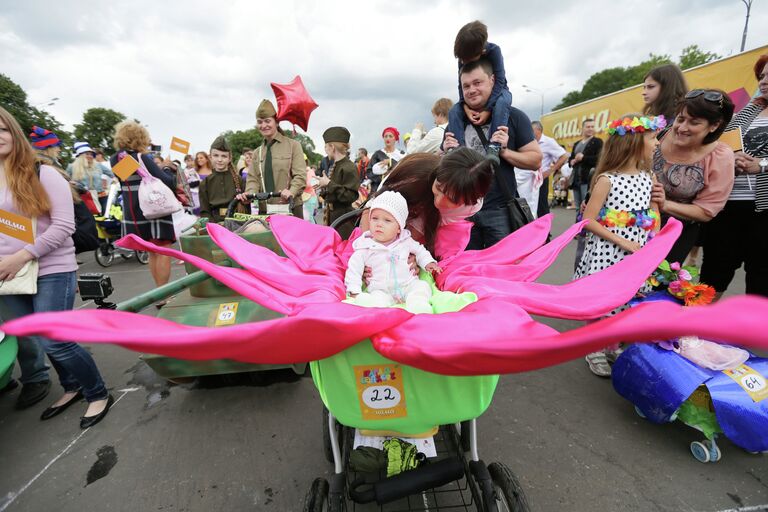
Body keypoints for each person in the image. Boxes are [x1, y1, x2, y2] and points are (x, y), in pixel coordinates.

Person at [0, 107, 113, 427]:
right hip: (8, 274)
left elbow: (64, 226)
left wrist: (20, 256)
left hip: (51, 266)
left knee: (56, 339)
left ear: (14, 132)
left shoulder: (42, 172)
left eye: (3, 128)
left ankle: (98, 393)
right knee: (36, 333)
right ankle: (72, 387)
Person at [574, 114, 666, 377]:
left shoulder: (649, 177)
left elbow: (653, 213)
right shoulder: (607, 180)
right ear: (634, 143)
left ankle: (611, 343)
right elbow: (588, 220)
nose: (657, 144)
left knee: (626, 299)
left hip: (637, 252)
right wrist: (624, 242)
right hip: (608, 251)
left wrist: (654, 242)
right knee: (604, 299)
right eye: (652, 138)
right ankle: (593, 346)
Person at [443, 58, 541, 249]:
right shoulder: (456, 122)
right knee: (468, 272)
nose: (471, 90)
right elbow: (443, 169)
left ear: (492, 81)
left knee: (502, 271)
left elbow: (535, 160)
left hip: (500, 211)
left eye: (477, 83)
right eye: (466, 86)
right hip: (463, 212)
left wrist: (505, 152)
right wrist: (445, 153)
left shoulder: (513, 116)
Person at [701, 55, 768, 298]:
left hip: (764, 210)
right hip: (728, 204)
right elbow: (717, 145)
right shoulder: (745, 112)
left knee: (761, 282)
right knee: (711, 277)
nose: (763, 82)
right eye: (761, 76)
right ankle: (694, 333)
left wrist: (762, 165)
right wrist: (730, 157)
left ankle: (753, 335)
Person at [652, 89, 735, 264]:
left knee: (654, 286)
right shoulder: (657, 134)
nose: (682, 128)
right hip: (632, 221)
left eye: (694, 123)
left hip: (675, 233)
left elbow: (706, 211)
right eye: (680, 119)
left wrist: (665, 204)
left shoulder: (720, 157)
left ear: (714, 125)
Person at [365, 149, 494, 255]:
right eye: (438, 188)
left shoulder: (472, 206)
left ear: (469, 201)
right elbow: (372, 208)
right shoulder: (415, 175)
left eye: (452, 200)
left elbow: (436, 234)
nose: (439, 201)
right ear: (436, 174)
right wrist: (367, 251)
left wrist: (415, 257)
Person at [345, 191, 440, 314]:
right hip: (381, 289)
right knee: (377, 299)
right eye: (374, 218)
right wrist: (354, 290)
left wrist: (428, 262)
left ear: (399, 227)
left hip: (407, 284)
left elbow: (420, 250)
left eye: (387, 220)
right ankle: (371, 305)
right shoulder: (365, 247)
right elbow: (354, 270)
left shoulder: (406, 241)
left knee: (421, 287)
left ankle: (418, 304)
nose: (379, 224)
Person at [111, 121, 176, 294]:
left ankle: (158, 293)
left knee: (152, 252)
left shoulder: (116, 158)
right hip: (154, 210)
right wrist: (168, 167)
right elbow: (167, 181)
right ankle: (163, 294)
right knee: (162, 251)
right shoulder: (140, 158)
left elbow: (130, 178)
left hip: (134, 211)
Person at [445, 20, 513, 166]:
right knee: (453, 111)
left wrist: (488, 110)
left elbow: (500, 81)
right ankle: (457, 151)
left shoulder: (494, 51)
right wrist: (465, 108)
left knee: (502, 103)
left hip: (499, 92)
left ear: (481, 52)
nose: (464, 62)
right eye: (461, 60)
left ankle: (494, 146)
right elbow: (461, 86)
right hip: (470, 103)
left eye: (467, 59)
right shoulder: (463, 58)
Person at [239, 100, 306, 218]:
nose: (263, 125)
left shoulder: (293, 146)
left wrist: (291, 192)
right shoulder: (257, 152)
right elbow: (253, 180)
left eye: (267, 121)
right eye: (260, 122)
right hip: (265, 212)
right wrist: (248, 194)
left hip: (290, 209)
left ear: (277, 122)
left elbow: (300, 176)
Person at [316, 127, 360, 239]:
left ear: (332, 147)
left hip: (343, 222)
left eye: (326, 146)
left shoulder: (349, 167)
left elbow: (350, 196)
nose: (325, 149)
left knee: (343, 252)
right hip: (333, 217)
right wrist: (323, 189)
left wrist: (329, 183)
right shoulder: (335, 165)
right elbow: (335, 193)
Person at [526, 120, 568, 218]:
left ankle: (545, 231)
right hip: (528, 177)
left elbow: (564, 156)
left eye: (532, 130)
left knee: (542, 204)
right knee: (529, 203)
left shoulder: (549, 142)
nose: (529, 132)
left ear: (539, 130)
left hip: (541, 177)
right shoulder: (529, 141)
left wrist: (550, 170)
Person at [199, 136, 244, 223]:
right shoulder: (205, 183)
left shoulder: (239, 180)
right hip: (215, 224)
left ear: (230, 158)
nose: (219, 160)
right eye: (216, 155)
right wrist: (215, 226)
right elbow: (205, 212)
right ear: (210, 157)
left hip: (237, 222)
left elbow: (246, 207)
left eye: (224, 156)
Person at [67, 142, 115, 213]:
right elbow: (65, 180)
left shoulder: (98, 165)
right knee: (88, 221)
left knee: (104, 219)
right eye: (87, 154)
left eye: (91, 154)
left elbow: (113, 174)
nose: (90, 156)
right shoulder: (72, 167)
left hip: (101, 197)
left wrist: (114, 181)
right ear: (81, 156)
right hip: (83, 199)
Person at [568, 119, 603, 213]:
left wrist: (583, 158)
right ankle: (577, 226)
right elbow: (571, 158)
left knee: (586, 206)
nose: (590, 129)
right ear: (582, 128)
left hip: (587, 180)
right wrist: (571, 161)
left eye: (592, 126)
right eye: (588, 127)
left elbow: (600, 159)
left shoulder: (597, 142)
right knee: (577, 207)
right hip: (576, 180)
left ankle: (585, 226)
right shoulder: (576, 144)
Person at [366, 127, 405, 192]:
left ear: (395, 138)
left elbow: (404, 170)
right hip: (378, 190)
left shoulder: (401, 154)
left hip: (397, 189)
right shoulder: (377, 154)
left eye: (390, 136)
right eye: (385, 136)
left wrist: (391, 162)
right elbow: (369, 172)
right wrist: (383, 177)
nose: (387, 138)